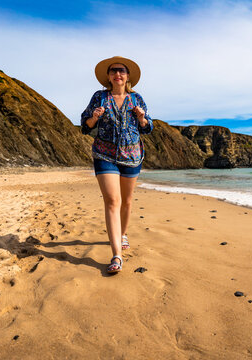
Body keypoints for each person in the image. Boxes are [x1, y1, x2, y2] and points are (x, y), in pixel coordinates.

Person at [81, 56, 153, 274]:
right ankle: (116, 256)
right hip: (104, 154)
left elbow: (148, 127)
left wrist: (141, 118)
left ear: (127, 76)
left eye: (121, 71)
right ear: (109, 76)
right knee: (113, 200)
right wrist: (94, 117)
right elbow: (85, 125)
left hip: (132, 156)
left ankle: (122, 233)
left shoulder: (136, 98)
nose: (117, 74)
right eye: (113, 71)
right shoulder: (99, 97)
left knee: (127, 201)